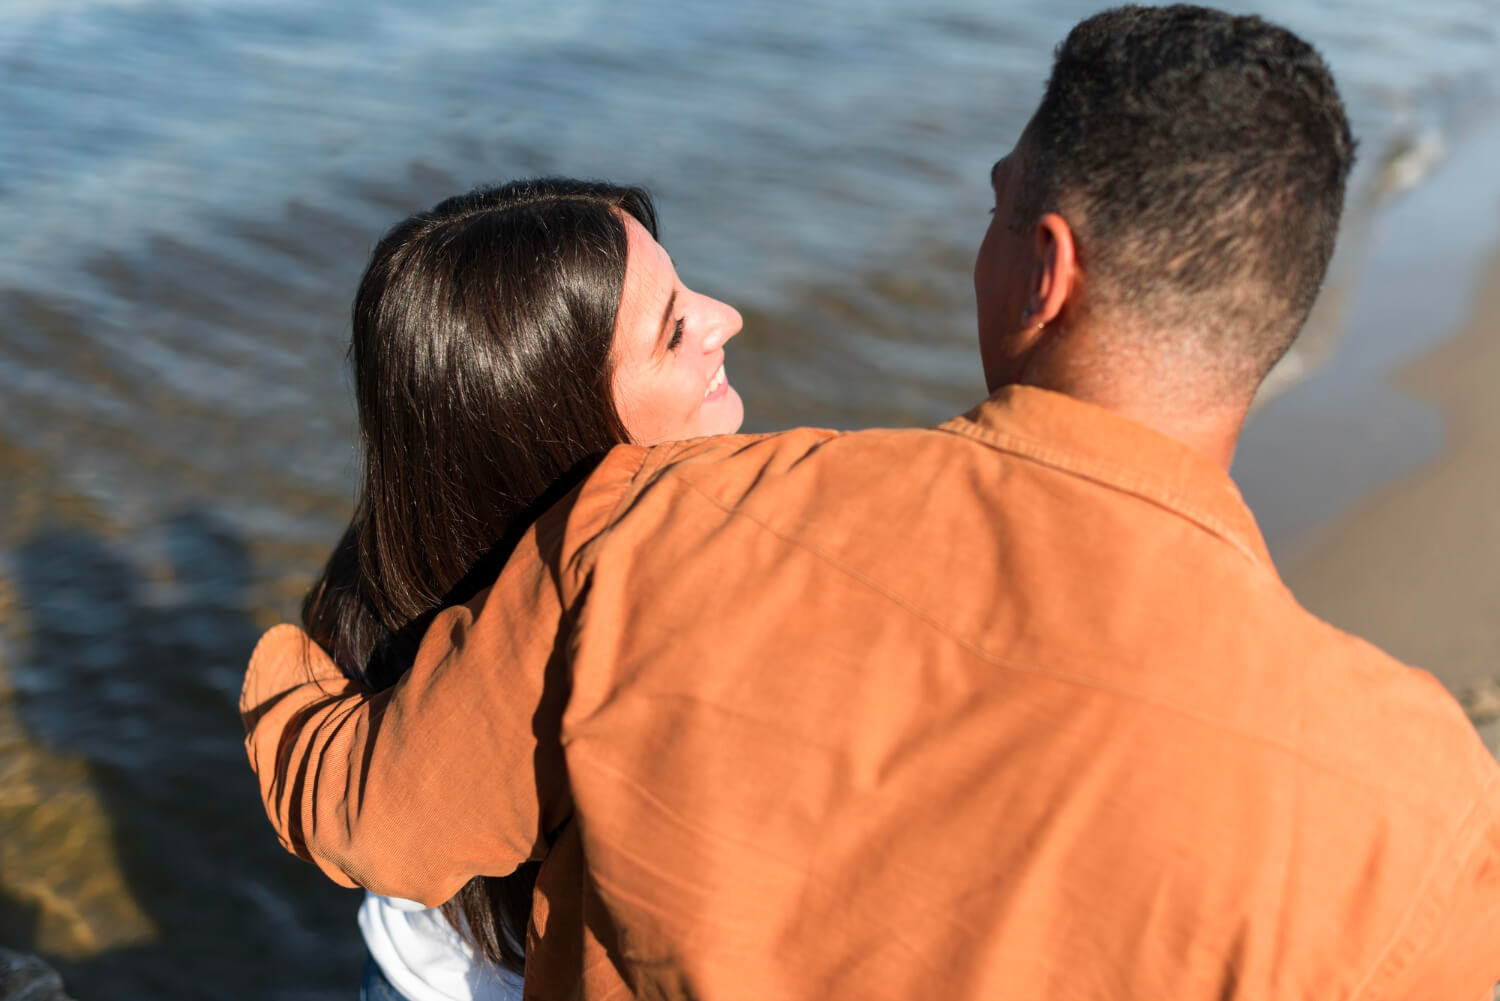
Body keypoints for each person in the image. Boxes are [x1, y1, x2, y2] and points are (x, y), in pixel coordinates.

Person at [243, 6, 1500, 999]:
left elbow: (380, 812)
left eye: (998, 203)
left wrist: (285, 668)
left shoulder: (663, 519)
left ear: (1042, 272)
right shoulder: (1422, 799)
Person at [266, 178, 744, 1000]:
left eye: (684, 286)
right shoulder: (654, 628)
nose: (725, 316)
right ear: (565, 422)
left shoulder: (383, 575)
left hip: (407, 969)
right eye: (672, 331)